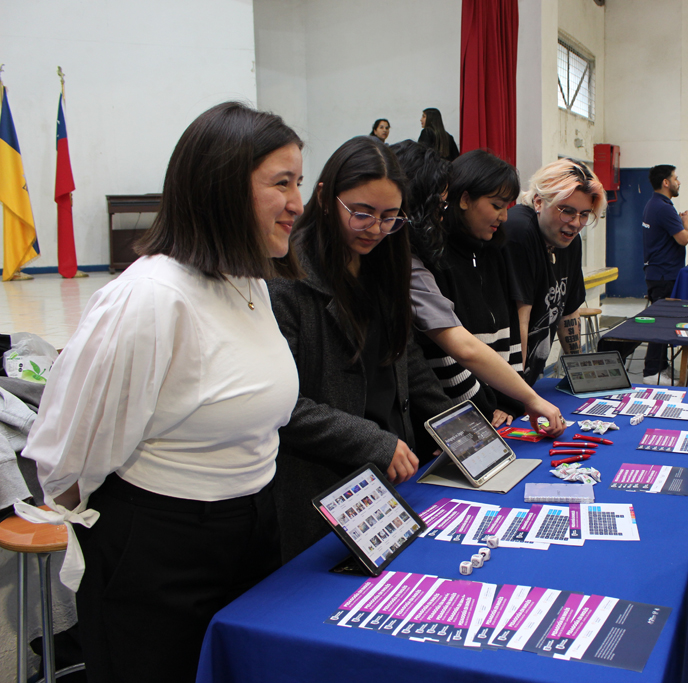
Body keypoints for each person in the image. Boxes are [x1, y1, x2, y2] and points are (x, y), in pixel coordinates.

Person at [22, 102, 304, 682]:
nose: (298, 203)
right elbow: (70, 453)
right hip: (161, 548)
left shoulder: (245, 280)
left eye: (298, 182)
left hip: (248, 525)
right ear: (223, 186)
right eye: (282, 183)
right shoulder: (151, 297)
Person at [268, 135, 454, 562]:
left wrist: (457, 428)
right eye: (362, 213)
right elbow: (283, 405)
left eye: (390, 217)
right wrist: (372, 440)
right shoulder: (286, 280)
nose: (376, 229)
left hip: (391, 473)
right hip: (325, 484)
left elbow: (407, 362)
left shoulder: (382, 263)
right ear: (324, 197)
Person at [392, 141, 567, 433]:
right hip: (458, 414)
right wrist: (494, 406)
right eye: (496, 206)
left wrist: (514, 399)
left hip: (483, 412)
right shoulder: (427, 257)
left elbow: (510, 333)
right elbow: (453, 351)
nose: (504, 217)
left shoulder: (495, 250)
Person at [504, 158, 606, 385]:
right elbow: (521, 320)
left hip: (528, 379)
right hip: (504, 381)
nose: (576, 223)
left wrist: (580, 378)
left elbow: (568, 312)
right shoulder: (520, 231)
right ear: (539, 202)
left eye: (584, 214)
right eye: (567, 211)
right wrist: (518, 394)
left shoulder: (569, 240)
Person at [641, 164, 688, 384]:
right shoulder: (663, 208)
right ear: (666, 182)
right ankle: (652, 371)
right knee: (662, 323)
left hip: (659, 273)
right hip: (664, 275)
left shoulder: (654, 204)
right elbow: (683, 238)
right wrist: (687, 224)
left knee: (662, 321)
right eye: (675, 178)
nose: (678, 182)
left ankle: (661, 366)